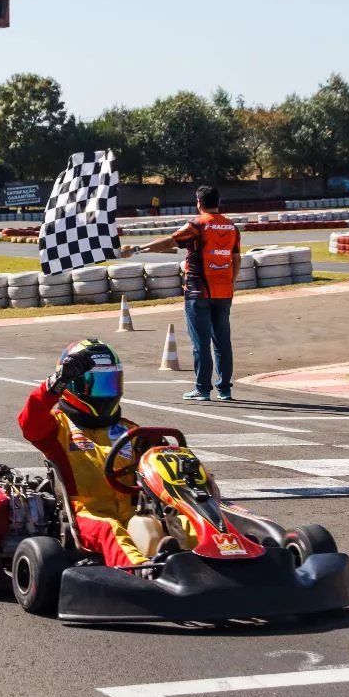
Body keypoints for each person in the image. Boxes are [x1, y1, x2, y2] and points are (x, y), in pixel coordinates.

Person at [18, 339, 177, 568]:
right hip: (85, 516)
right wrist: (56, 382)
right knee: (110, 529)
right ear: (73, 386)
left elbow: (161, 463)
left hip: (135, 513)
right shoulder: (58, 428)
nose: (105, 393)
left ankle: (213, 559)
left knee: (180, 520)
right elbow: (29, 422)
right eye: (97, 386)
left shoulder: (130, 430)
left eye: (110, 383)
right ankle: (146, 573)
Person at [121, 185, 241, 401]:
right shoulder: (231, 226)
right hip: (224, 291)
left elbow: (170, 241)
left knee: (201, 343)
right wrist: (230, 281)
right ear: (218, 201)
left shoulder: (197, 225)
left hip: (198, 291)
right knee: (223, 341)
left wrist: (139, 249)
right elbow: (236, 259)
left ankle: (202, 389)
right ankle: (224, 389)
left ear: (199, 203)